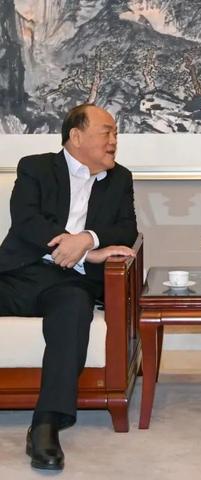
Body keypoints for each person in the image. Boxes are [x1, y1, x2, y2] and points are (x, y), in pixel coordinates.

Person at [0, 104, 138, 470]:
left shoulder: (120, 178)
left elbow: (126, 228)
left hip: (70, 283)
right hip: (20, 273)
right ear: (76, 136)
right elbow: (26, 220)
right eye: (106, 132)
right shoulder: (36, 168)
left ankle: (46, 424)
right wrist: (77, 247)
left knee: (74, 309)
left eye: (115, 133)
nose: (114, 140)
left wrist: (88, 239)